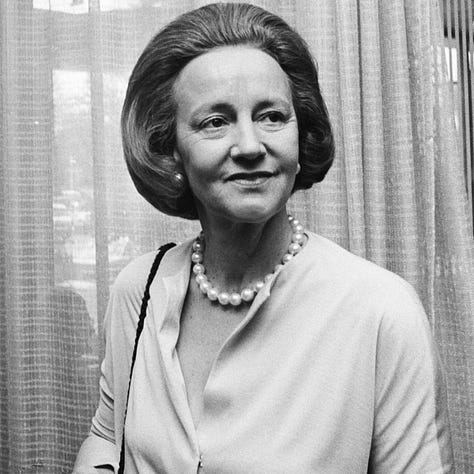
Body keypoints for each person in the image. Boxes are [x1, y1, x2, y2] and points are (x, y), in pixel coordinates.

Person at [73, 3, 454, 473]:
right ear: (171, 150)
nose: (251, 146)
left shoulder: (382, 313)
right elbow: (108, 434)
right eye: (215, 122)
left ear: (301, 134)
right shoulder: (140, 290)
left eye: (272, 116)